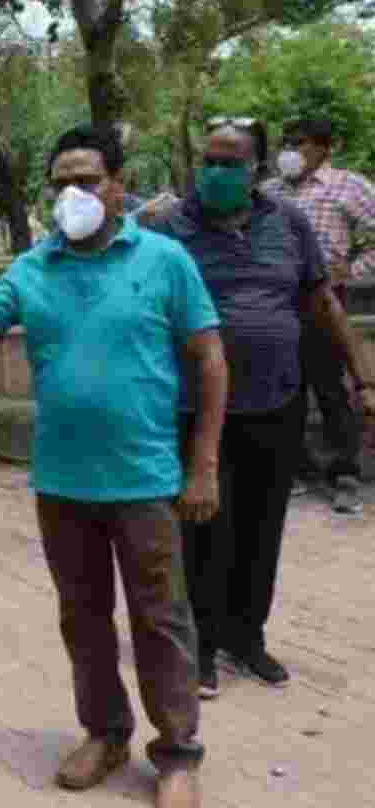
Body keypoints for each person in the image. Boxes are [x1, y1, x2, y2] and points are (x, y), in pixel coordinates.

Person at [0, 124, 225, 808]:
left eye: (86, 180)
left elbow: (210, 359)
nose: (72, 193)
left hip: (146, 478)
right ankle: (106, 733)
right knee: (83, 618)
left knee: (160, 619)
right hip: (61, 481)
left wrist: (203, 462)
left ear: (117, 186)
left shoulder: (165, 260)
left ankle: (177, 752)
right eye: (59, 182)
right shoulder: (33, 270)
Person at [144, 119, 375, 694]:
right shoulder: (174, 228)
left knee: (260, 525)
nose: (216, 172)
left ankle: (247, 637)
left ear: (256, 170)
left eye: (230, 163)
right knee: (200, 529)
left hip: (277, 400)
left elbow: (321, 301)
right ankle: (198, 644)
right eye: (210, 160)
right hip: (197, 409)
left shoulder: (288, 224)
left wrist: (362, 376)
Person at [265, 116, 375, 513]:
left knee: (330, 385)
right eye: (287, 142)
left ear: (325, 147)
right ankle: (296, 469)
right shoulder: (270, 191)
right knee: (284, 386)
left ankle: (345, 471)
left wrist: (355, 268)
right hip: (277, 302)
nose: (291, 151)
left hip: (326, 300)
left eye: (300, 143)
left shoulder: (349, 187)